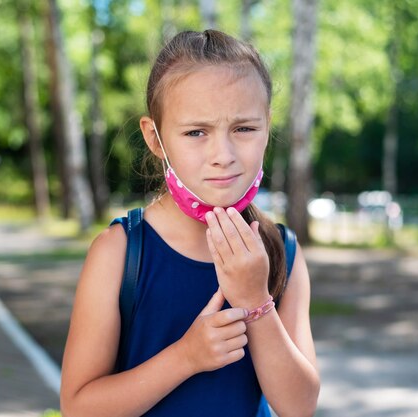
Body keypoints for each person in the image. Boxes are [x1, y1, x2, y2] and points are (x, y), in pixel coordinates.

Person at [60, 29, 320, 417]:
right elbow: (78, 408)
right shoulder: (121, 250)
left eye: (244, 129)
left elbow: (299, 407)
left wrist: (255, 303)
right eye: (196, 132)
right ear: (154, 137)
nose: (223, 155)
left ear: (267, 126)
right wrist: (186, 357)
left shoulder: (282, 249)